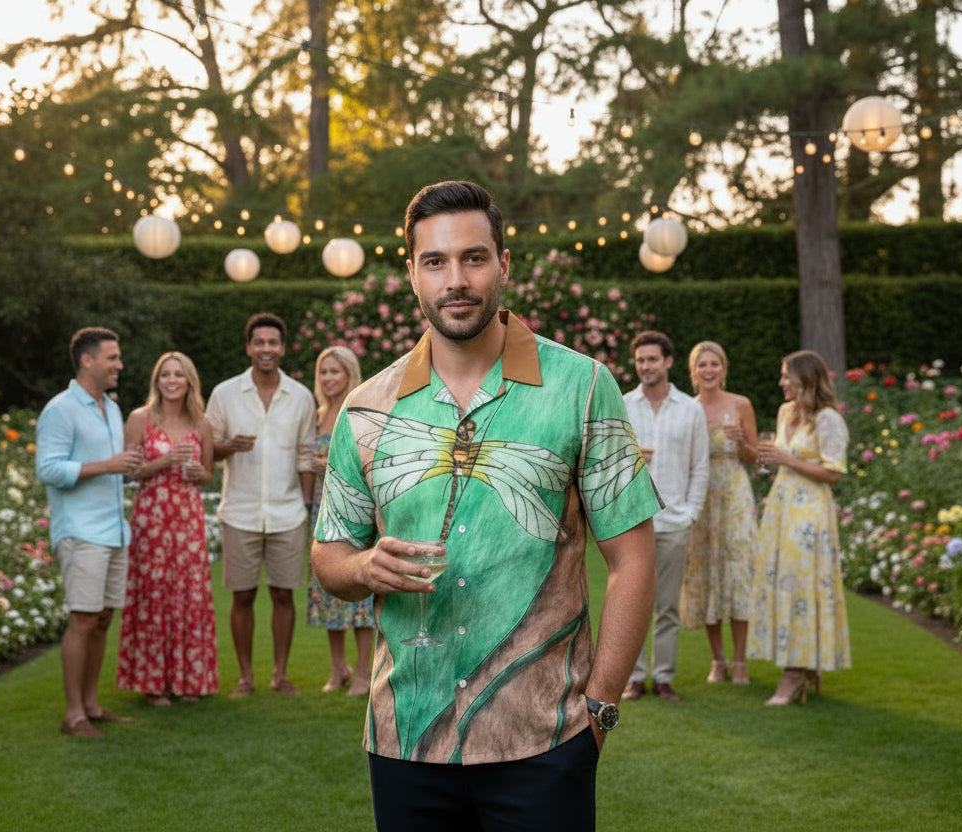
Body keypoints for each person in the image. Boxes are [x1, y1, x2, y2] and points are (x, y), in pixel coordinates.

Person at [311, 180, 659, 831]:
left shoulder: (581, 387)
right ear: (411, 273)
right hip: (404, 739)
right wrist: (362, 570)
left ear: (504, 263)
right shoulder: (366, 410)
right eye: (435, 261)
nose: (456, 279)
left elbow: (633, 558)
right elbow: (330, 553)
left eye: (473, 257)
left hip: (545, 740)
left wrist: (601, 710)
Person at [36, 327, 143, 739]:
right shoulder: (61, 409)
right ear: (87, 360)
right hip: (80, 532)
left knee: (101, 619)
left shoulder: (111, 408)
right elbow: (48, 469)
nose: (119, 365)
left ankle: (93, 704)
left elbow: (113, 464)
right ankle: (73, 714)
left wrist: (126, 467)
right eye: (112, 358)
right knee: (82, 620)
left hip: (113, 531)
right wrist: (109, 465)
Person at [207, 313, 317, 698]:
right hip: (240, 511)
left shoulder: (301, 396)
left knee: (284, 595)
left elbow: (306, 456)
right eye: (259, 342)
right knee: (242, 596)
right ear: (248, 347)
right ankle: (245, 676)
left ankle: (281, 674)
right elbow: (210, 447)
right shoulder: (224, 394)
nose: (266, 349)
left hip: (288, 513)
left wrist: (306, 506)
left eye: (273, 343)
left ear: (282, 349)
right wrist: (227, 446)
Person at [115, 351, 219, 706]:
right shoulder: (140, 419)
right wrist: (162, 462)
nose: (171, 380)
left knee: (189, 594)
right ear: (156, 381)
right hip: (153, 516)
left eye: (178, 374)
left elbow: (207, 474)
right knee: (154, 594)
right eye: (165, 375)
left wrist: (197, 474)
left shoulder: (201, 422)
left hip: (188, 517)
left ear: (190, 381)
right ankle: (153, 683)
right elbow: (129, 470)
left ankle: (190, 680)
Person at [749, 349, 852, 706]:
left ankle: (794, 674)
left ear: (805, 380)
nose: (781, 383)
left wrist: (787, 459)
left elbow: (834, 472)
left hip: (810, 516)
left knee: (800, 588)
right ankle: (805, 667)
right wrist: (767, 456)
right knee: (782, 582)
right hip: (782, 508)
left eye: (786, 377)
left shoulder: (828, 421)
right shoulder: (784, 413)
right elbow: (780, 458)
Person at [621, 331, 709, 703]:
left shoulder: (690, 408)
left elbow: (700, 466)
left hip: (675, 522)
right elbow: (605, 463)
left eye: (652, 360)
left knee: (668, 607)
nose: (645, 366)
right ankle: (636, 677)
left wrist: (690, 513)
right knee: (632, 602)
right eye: (640, 360)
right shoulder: (623, 404)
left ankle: (664, 677)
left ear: (668, 362)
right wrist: (630, 458)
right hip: (634, 522)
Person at [681, 341, 758, 686]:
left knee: (738, 570)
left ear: (724, 369)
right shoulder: (688, 408)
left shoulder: (741, 404)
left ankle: (740, 661)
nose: (708, 370)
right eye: (702, 365)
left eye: (714, 364)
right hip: (701, 494)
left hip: (735, 493)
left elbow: (756, 458)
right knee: (706, 571)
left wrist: (742, 442)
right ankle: (718, 660)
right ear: (693, 372)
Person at [305, 346, 375, 696]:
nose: (328, 378)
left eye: (335, 371)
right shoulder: (317, 417)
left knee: (359, 597)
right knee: (326, 591)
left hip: (354, 512)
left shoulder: (359, 410)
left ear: (349, 374)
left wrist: (328, 465)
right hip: (321, 511)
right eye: (324, 372)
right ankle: (339, 670)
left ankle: (364, 673)